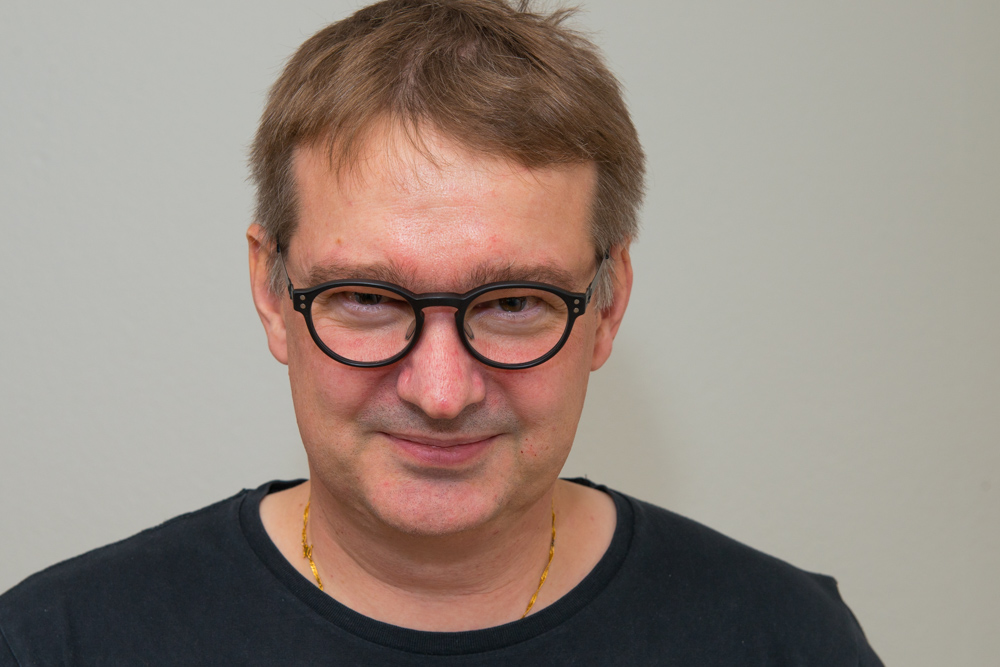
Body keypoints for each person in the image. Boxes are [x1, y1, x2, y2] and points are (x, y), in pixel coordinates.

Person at [0, 1, 882, 664]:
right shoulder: (57, 642)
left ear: (607, 306)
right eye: (367, 297)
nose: (441, 391)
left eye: (512, 304)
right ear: (272, 291)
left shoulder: (785, 639)